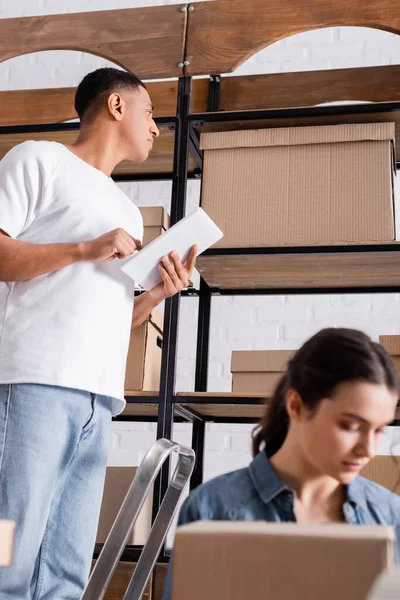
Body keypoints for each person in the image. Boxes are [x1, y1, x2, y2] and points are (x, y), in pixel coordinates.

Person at [0, 67, 197, 600]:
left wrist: (158, 295)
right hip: (34, 382)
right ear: (115, 106)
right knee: (8, 555)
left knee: (66, 565)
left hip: (99, 398)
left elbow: (112, 312)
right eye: (150, 112)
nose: (156, 128)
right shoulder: (38, 159)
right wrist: (87, 248)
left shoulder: (125, 209)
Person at [163, 327, 400, 600]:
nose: (368, 449)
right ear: (297, 406)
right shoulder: (211, 507)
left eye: (380, 429)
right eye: (350, 426)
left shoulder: (391, 516)